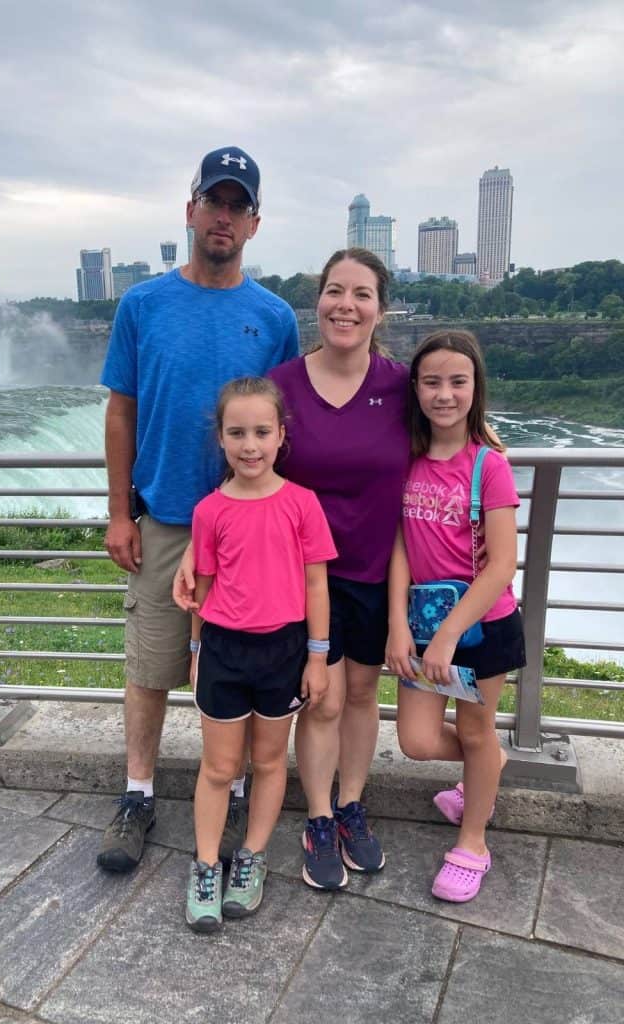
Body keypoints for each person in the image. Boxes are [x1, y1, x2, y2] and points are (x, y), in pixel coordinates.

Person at [176, 248, 410, 890]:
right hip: (297, 579)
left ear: (380, 308)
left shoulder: (400, 385)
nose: (346, 305)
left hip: (367, 567)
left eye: (362, 294)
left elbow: (450, 439)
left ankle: (351, 806)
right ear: (318, 301)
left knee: (361, 695)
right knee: (322, 700)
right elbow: (241, 467)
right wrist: (199, 561)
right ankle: (320, 815)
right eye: (335, 291)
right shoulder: (284, 383)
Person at [97, 147, 299, 873]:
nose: (224, 216)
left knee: (238, 664)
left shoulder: (274, 317)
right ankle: (138, 793)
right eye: (213, 201)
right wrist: (120, 512)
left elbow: (281, 421)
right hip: (165, 520)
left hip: (247, 528)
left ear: (254, 224)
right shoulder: (142, 305)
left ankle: (237, 787)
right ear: (190, 211)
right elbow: (121, 413)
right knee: (152, 665)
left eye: (237, 205)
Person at [186, 377, 336, 932]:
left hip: (285, 650)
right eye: (237, 433)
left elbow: (317, 585)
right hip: (224, 650)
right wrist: (197, 650)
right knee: (221, 766)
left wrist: (317, 657)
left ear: (280, 435)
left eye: (261, 432)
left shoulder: (302, 504)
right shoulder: (209, 511)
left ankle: (250, 856)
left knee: (271, 761)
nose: (250, 445)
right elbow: (201, 589)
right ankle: (205, 863)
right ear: (221, 439)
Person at [385, 329, 525, 903]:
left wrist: (444, 639)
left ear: (475, 388)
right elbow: (399, 546)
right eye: (433, 381)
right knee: (416, 739)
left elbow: (500, 567)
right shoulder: (407, 459)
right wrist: (398, 624)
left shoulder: (489, 465)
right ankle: (486, 765)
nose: (445, 394)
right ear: (415, 388)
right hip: (423, 625)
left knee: (472, 729)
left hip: (483, 628)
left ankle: (472, 843)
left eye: (457, 382)